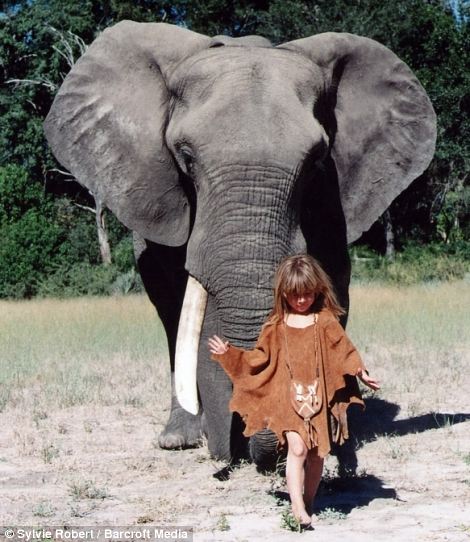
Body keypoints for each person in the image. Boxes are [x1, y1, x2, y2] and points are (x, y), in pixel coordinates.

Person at [208, 254, 380, 527]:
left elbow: (344, 350)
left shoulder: (324, 321)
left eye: (307, 294)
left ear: (317, 290)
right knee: (297, 449)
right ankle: (297, 508)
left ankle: (309, 502)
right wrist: (230, 355)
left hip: (318, 399)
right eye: (295, 295)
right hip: (288, 400)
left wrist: (361, 371)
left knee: (316, 454)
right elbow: (258, 359)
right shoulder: (275, 327)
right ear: (284, 293)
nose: (301, 300)